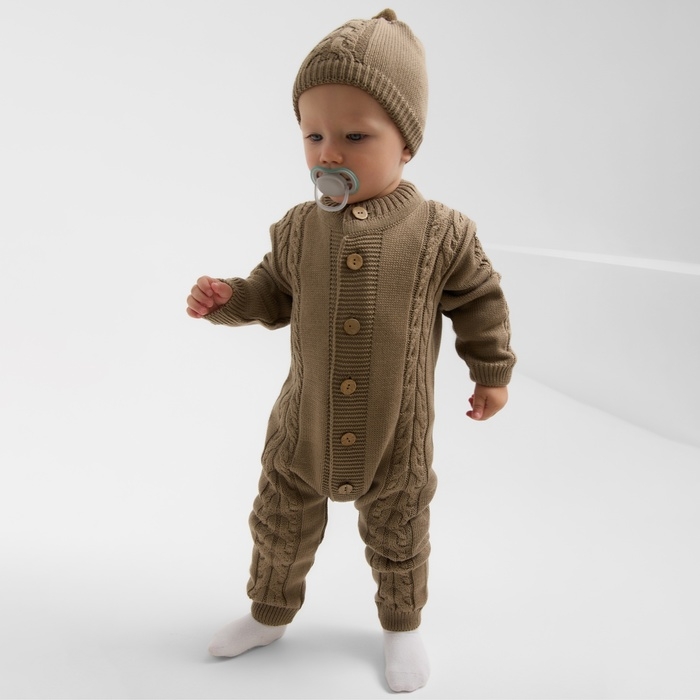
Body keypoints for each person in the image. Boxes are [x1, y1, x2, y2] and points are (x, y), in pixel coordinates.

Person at [186, 8, 515, 693]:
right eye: (313, 135)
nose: (328, 153)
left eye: (355, 136)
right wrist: (230, 299)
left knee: (400, 532)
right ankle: (268, 614)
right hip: (301, 428)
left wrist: (491, 371)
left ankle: (402, 625)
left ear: (407, 144)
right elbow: (273, 293)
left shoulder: (442, 233)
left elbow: (480, 299)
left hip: (397, 433)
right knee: (279, 524)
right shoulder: (297, 230)